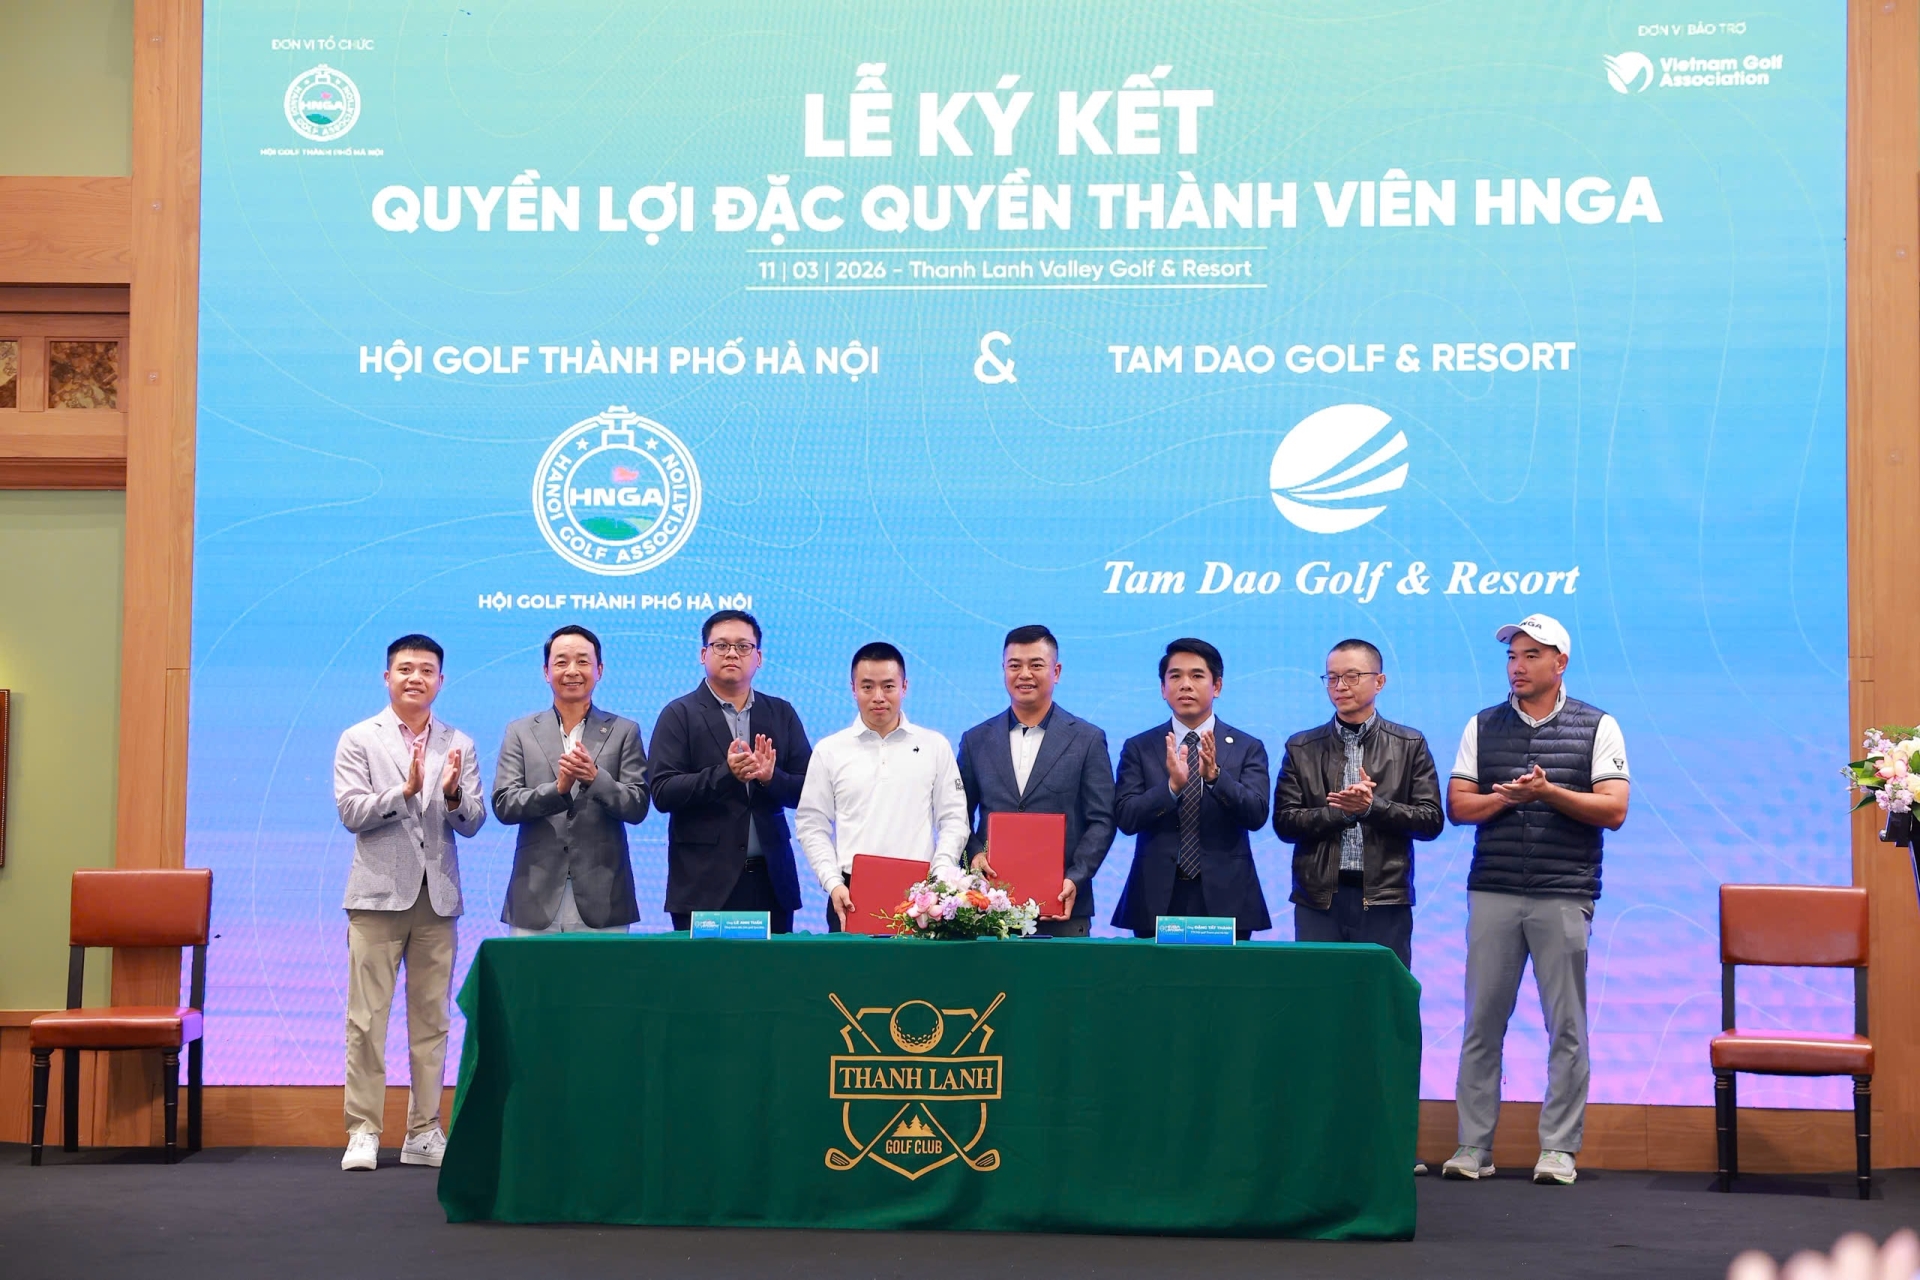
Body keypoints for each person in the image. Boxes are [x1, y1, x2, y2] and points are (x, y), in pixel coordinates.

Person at [1440, 614, 1629, 1188]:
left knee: (1566, 1026)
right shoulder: (1482, 725)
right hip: (1493, 889)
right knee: (1482, 1023)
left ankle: (1559, 1149)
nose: (1517, 667)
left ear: (1560, 663)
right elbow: (1458, 806)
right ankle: (1474, 1145)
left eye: (1530, 655)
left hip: (1564, 891)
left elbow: (1614, 810)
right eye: (1511, 656)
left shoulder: (1598, 725)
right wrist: (1507, 798)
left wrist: (1548, 791)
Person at [331, 634, 485, 1173]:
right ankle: (363, 1130)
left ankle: (423, 1130)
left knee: (432, 1021)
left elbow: (473, 821)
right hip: (376, 897)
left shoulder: (458, 741)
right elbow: (351, 812)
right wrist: (404, 791)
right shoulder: (358, 738)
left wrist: (451, 795)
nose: (415, 677)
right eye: (405, 668)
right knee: (366, 1019)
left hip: (437, 900)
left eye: (426, 669)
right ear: (387, 677)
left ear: (441, 680)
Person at [1272, 638, 1443, 968]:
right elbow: (1285, 823)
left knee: (1381, 992)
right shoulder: (1302, 746)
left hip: (1385, 899)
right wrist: (1340, 813)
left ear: (1379, 682)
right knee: (1318, 991)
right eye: (1332, 677)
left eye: (1352, 676)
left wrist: (1370, 808)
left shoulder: (1409, 743)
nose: (1340, 686)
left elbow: (1430, 820)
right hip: (1318, 900)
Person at [649, 609, 813, 933]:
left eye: (743, 646)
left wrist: (771, 778)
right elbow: (663, 792)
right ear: (703, 654)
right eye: (721, 645)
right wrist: (726, 774)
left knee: (774, 968)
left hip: (771, 883)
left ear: (758, 657)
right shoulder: (678, 714)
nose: (732, 654)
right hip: (703, 886)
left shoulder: (781, 712)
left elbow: (808, 789)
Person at [795, 641, 969, 932]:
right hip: (851, 894)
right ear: (853, 689)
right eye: (867, 687)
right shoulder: (830, 750)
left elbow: (954, 819)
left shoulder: (934, 745)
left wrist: (939, 878)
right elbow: (811, 824)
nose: (878, 697)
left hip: (922, 897)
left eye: (888, 686)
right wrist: (833, 882)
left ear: (904, 687)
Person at [957, 625, 1116, 937]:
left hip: (1063, 906)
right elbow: (956, 814)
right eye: (1014, 665)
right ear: (1003, 670)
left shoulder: (1087, 739)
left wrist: (1076, 876)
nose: (1024, 674)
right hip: (988, 906)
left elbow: (1102, 820)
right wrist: (974, 854)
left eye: (1036, 665)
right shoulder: (976, 740)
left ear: (1056, 672)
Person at [492, 624, 651, 934]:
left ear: (599, 670)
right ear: (546, 671)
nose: (572, 671)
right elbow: (504, 804)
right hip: (534, 896)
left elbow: (638, 806)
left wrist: (595, 778)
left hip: (604, 896)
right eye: (561, 662)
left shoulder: (624, 731)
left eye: (583, 661)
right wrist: (558, 790)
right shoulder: (520, 732)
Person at [1109, 638, 1270, 939]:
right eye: (1175, 676)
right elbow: (1126, 818)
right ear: (1163, 688)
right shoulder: (1140, 747)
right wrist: (1171, 788)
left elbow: (1257, 814)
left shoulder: (1247, 747)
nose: (1185, 685)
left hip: (1228, 897)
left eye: (1197, 675)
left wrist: (1216, 778)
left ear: (1217, 686)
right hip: (1155, 897)